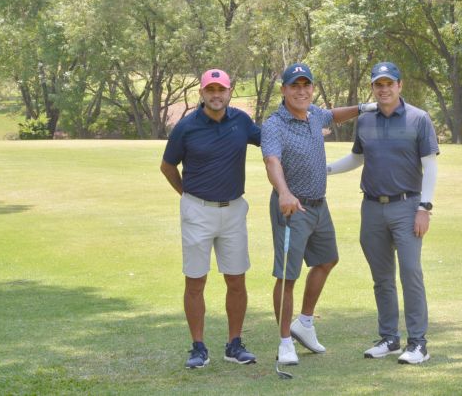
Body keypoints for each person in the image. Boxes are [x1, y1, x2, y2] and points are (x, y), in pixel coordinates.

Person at [261, 62, 377, 366]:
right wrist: (284, 193)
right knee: (287, 275)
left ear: (312, 88)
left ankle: (305, 323)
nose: (301, 91)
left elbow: (335, 114)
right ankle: (285, 340)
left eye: (306, 85)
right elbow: (272, 162)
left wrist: (366, 106)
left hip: (319, 205)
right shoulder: (275, 124)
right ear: (284, 90)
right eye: (295, 86)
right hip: (292, 208)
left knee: (327, 260)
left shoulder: (314, 115)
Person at [326, 61, 439, 364]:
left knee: (411, 274)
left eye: (390, 83)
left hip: (407, 206)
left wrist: (424, 208)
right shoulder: (365, 121)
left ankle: (418, 344)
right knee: (382, 278)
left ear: (400, 86)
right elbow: (356, 158)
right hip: (372, 207)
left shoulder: (419, 119)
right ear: (373, 88)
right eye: (379, 84)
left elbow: (430, 165)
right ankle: (389, 338)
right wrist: (323, 170)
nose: (384, 89)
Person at [160, 68, 261, 369]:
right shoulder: (187, 127)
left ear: (229, 92)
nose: (216, 95)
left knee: (236, 279)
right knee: (195, 281)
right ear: (202, 93)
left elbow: (270, 142)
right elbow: (167, 167)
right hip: (197, 210)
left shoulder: (241, 121)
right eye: (210, 90)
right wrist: (188, 196)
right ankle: (198, 347)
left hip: (233, 210)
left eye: (222, 90)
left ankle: (234, 343)